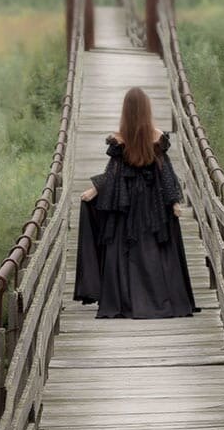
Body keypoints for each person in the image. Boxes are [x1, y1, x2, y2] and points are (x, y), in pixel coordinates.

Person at [73, 87, 197, 319]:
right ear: (147, 110)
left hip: (126, 204)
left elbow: (114, 174)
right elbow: (165, 172)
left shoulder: (120, 138)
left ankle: (127, 302)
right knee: (156, 250)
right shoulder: (157, 136)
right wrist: (172, 202)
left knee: (124, 250)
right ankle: (162, 300)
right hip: (154, 205)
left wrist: (94, 190)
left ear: (126, 111)